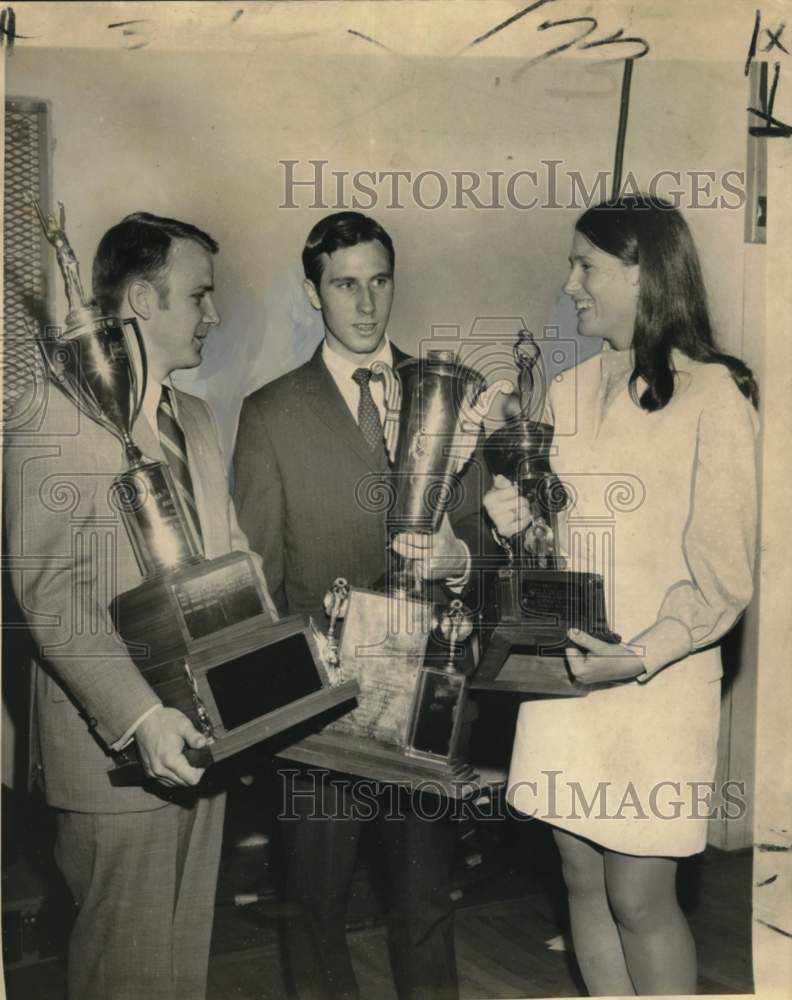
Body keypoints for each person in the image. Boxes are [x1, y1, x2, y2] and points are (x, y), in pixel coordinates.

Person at [483, 195, 758, 996]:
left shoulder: (714, 397)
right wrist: (515, 525)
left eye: (587, 266)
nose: (570, 283)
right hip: (567, 673)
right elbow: (555, 546)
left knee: (640, 896)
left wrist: (633, 658)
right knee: (578, 872)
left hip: (655, 681)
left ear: (645, 273)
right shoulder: (566, 395)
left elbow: (723, 576)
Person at [4, 212, 277, 1000]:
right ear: (140, 302)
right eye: (200, 296)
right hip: (115, 762)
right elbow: (49, 593)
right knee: (124, 977)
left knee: (180, 972)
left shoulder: (196, 417)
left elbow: (233, 561)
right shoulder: (51, 413)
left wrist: (288, 649)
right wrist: (138, 716)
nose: (213, 315)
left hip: (208, 738)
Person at [233, 211, 484, 1000]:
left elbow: (482, 536)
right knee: (314, 911)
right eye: (345, 284)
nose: (367, 302)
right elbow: (260, 584)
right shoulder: (270, 413)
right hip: (319, 711)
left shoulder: (449, 394)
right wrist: (275, 719)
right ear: (314, 293)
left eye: (380, 281)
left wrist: (462, 557)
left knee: (424, 904)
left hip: (425, 703)